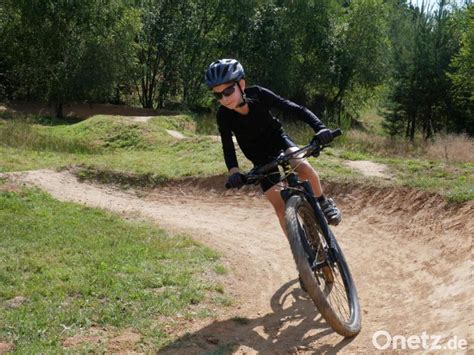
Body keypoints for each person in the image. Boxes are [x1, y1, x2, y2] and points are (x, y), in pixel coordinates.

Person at [205, 58, 342, 233]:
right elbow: (227, 145)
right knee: (280, 208)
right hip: (259, 158)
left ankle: (323, 201)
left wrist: (320, 128)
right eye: (218, 95)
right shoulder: (223, 115)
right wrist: (234, 173)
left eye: (228, 91)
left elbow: (295, 109)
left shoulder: (259, 95)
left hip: (278, 141)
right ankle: (302, 250)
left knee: (302, 166)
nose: (224, 98)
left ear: (241, 84)